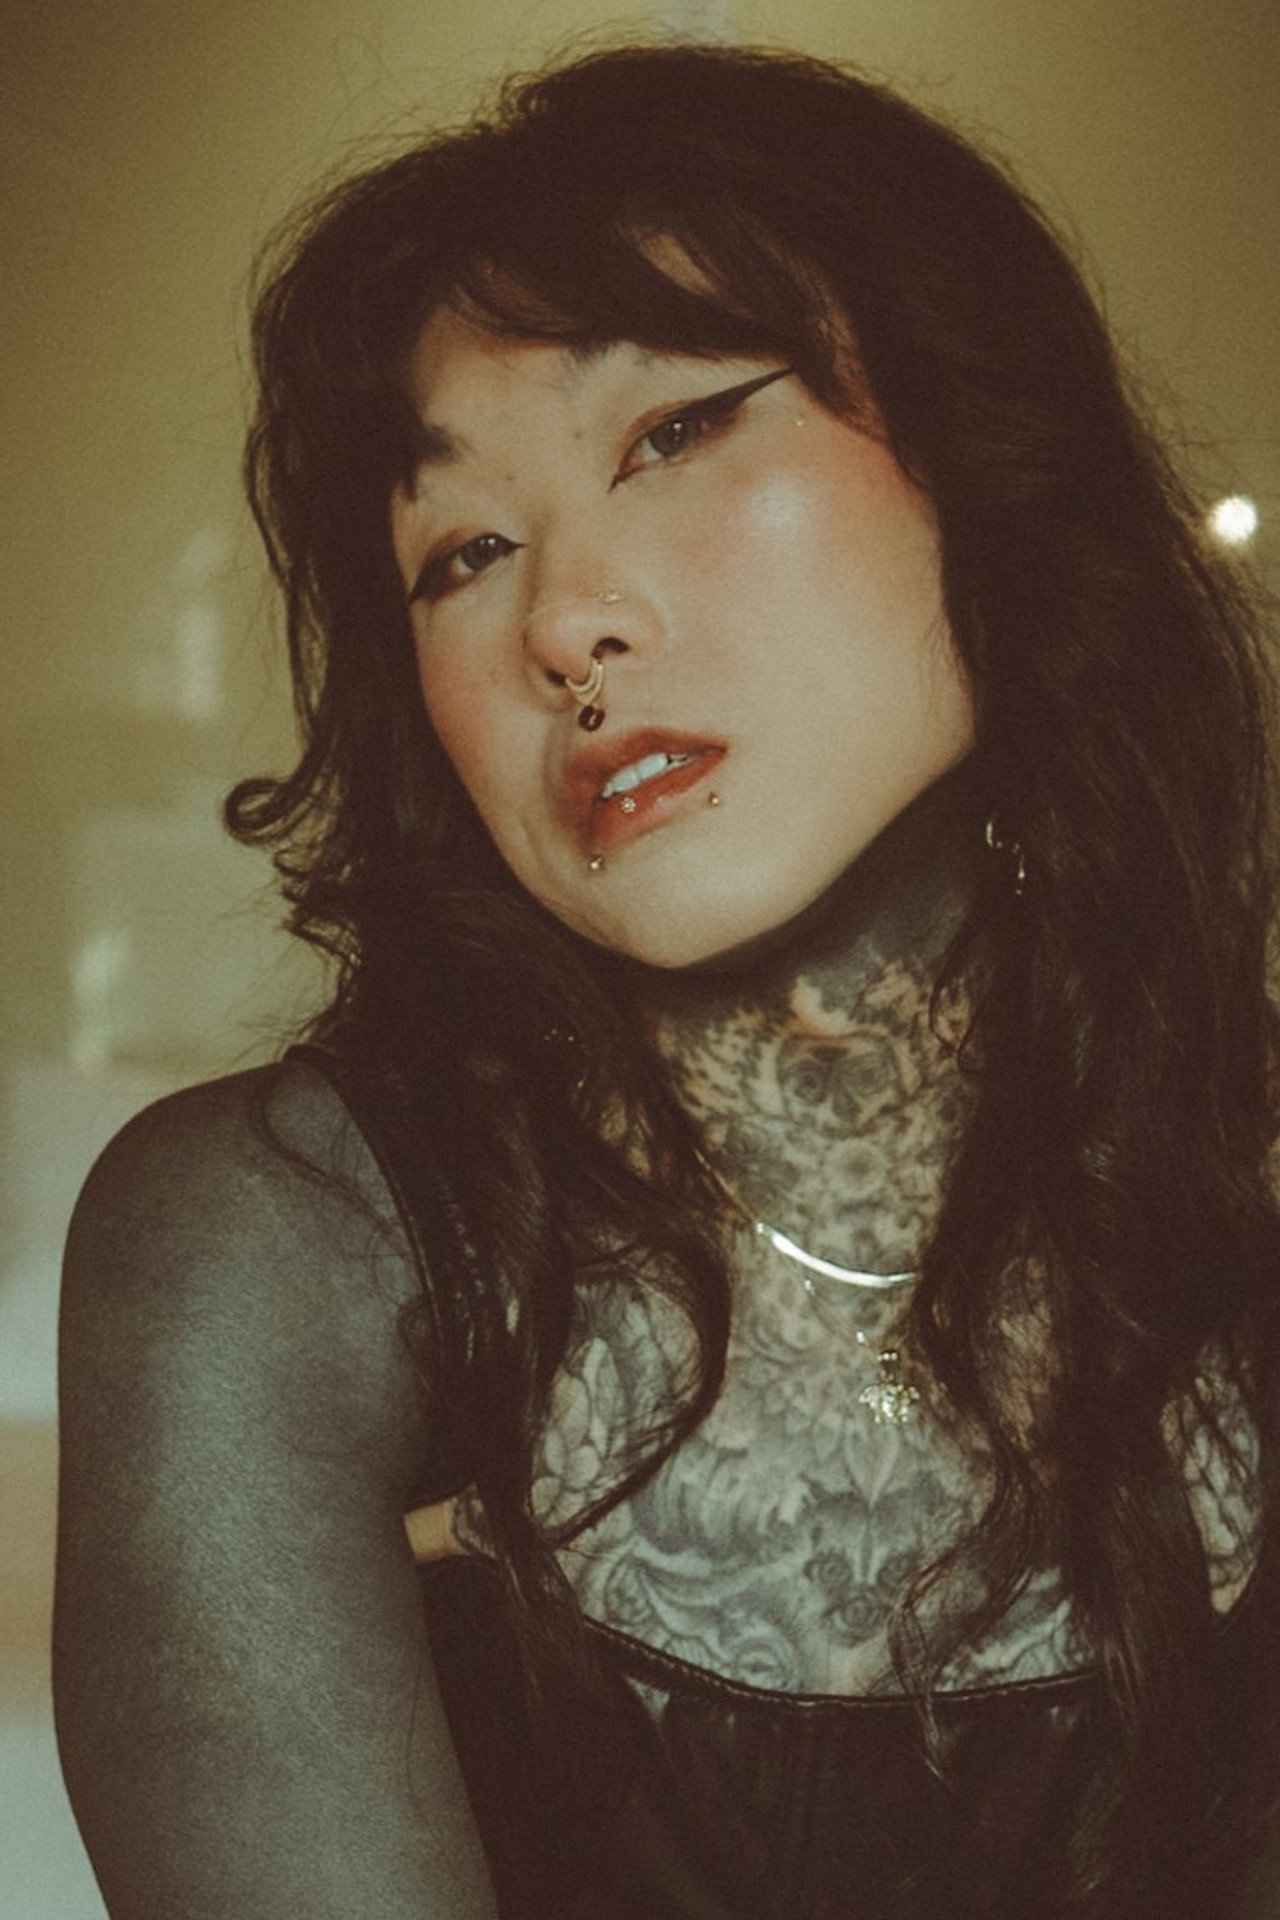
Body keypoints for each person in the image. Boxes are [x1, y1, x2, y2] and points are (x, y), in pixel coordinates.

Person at [53, 41, 1280, 1919]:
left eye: (674, 434)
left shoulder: (1234, 1182)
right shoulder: (281, 1246)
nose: (566, 623)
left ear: (981, 455)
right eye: (463, 551)